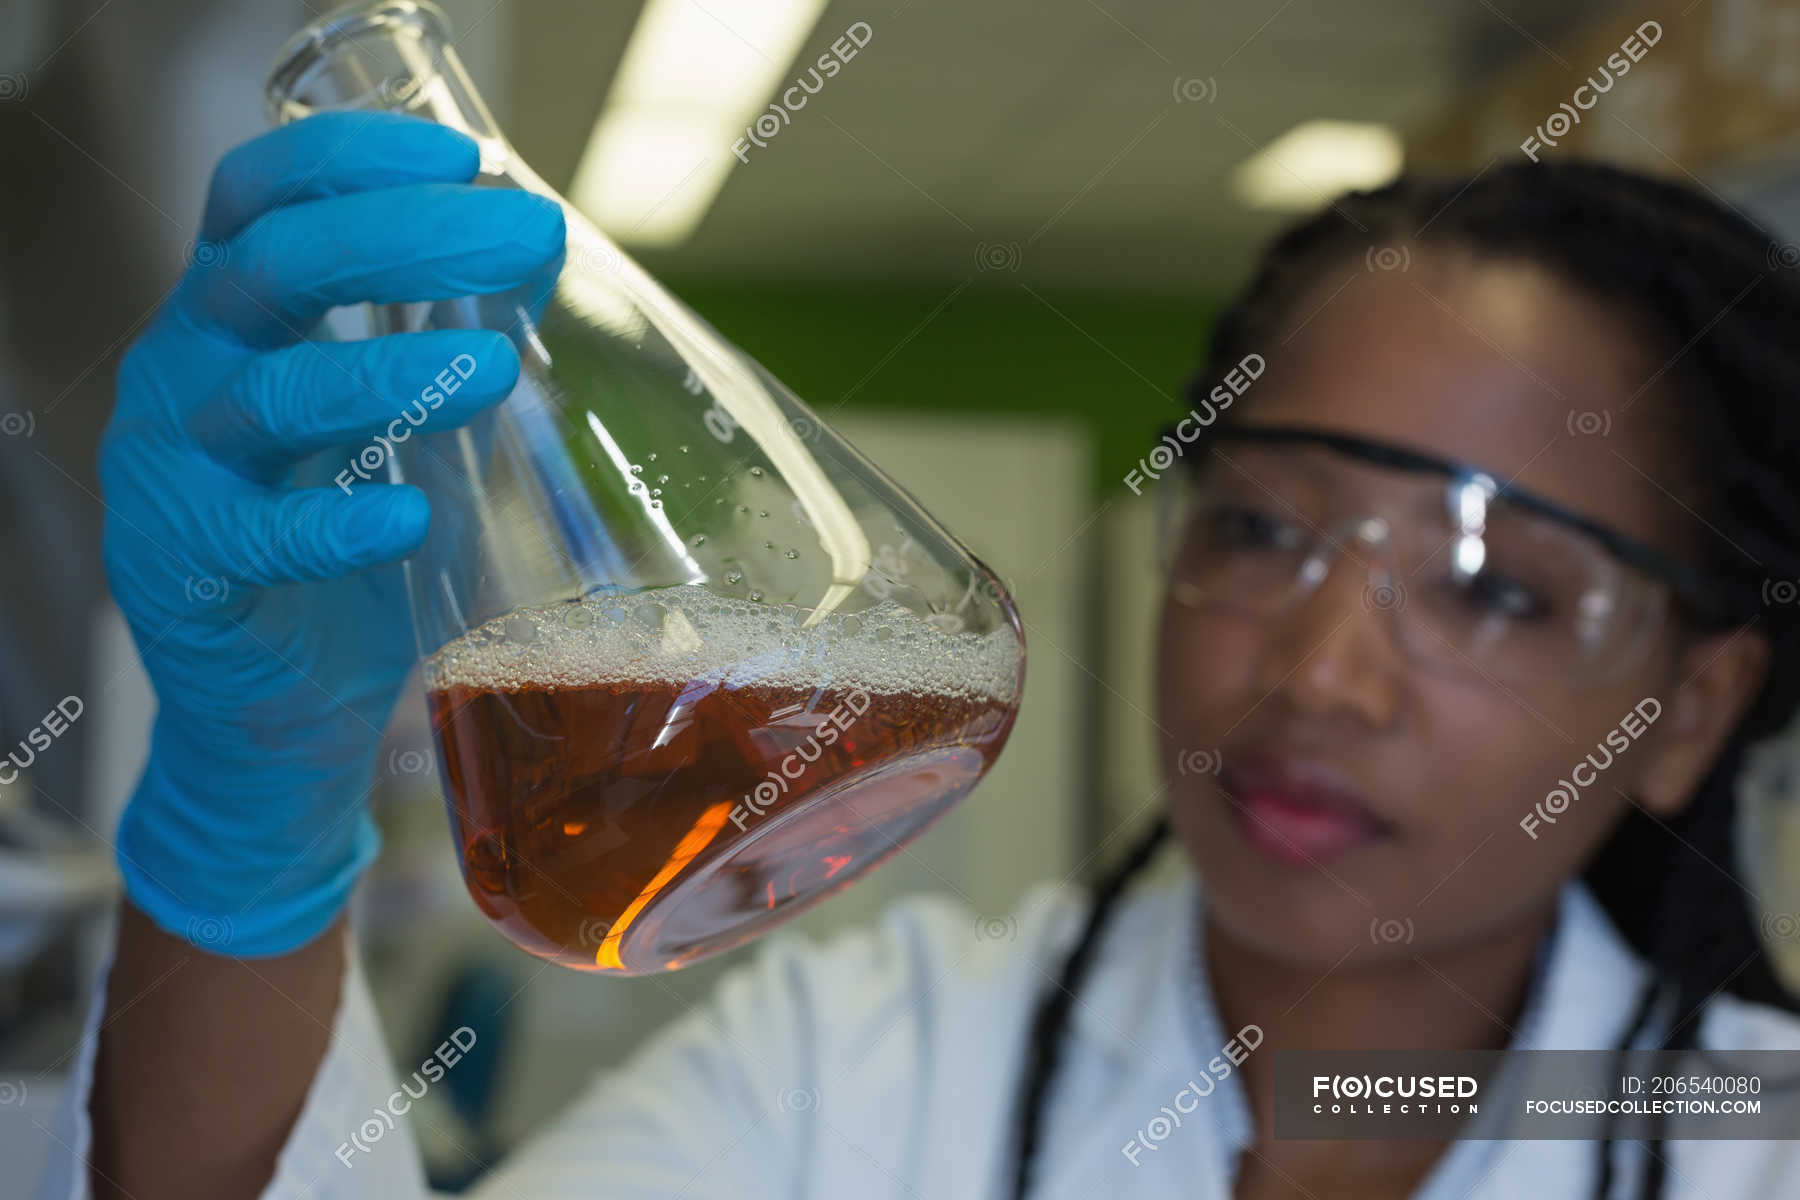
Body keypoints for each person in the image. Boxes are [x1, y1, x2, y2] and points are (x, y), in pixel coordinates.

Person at [38, 112, 1800, 1200]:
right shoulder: (864, 1060)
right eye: (1264, 527)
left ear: (1690, 710)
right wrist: (248, 830)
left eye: (1493, 588)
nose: (1322, 673)